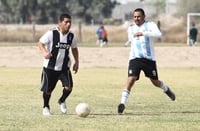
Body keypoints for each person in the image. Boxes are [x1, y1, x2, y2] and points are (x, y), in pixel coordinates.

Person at [117, 8, 175, 114]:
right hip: (135, 58)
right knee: (131, 79)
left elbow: (158, 34)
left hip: (149, 59)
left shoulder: (150, 25)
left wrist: (143, 33)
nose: (136, 19)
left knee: (155, 82)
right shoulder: (131, 28)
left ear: (144, 17)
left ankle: (166, 89)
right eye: (135, 17)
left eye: (138, 16)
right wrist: (126, 43)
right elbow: (131, 40)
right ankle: (122, 104)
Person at [38, 13, 79, 116]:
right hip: (50, 67)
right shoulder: (51, 33)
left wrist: (76, 62)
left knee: (69, 87)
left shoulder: (71, 36)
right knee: (48, 90)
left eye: (70, 22)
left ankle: (62, 100)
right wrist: (44, 52)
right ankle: (46, 107)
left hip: (64, 67)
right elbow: (40, 43)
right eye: (66, 22)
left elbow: (74, 48)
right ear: (60, 23)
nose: (68, 24)